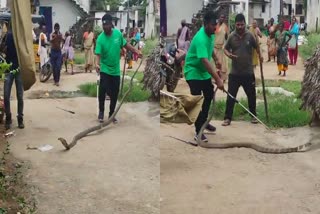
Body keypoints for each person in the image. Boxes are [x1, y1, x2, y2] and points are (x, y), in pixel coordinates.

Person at [183, 11, 224, 142]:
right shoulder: (200, 38)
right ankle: (198, 131)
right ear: (205, 24)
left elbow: (210, 48)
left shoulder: (210, 33)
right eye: (213, 25)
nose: (215, 27)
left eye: (216, 25)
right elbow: (204, 61)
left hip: (202, 72)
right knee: (197, 100)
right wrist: (218, 80)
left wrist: (216, 59)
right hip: (193, 71)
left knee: (209, 95)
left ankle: (203, 122)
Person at [95, 14, 142, 123]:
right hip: (105, 68)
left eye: (107, 25)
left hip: (115, 70)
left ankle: (112, 114)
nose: (105, 27)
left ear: (111, 24)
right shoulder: (100, 39)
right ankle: (101, 112)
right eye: (104, 25)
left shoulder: (118, 34)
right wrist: (97, 64)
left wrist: (136, 51)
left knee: (115, 93)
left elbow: (126, 45)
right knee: (103, 89)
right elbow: (98, 54)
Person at [222, 13, 263, 126]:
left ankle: (253, 115)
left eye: (241, 24)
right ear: (235, 24)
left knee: (251, 95)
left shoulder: (250, 35)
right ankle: (227, 118)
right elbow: (225, 49)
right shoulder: (231, 36)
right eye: (238, 25)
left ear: (245, 24)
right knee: (231, 96)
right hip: (234, 73)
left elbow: (257, 46)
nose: (240, 27)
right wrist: (229, 55)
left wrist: (260, 55)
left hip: (248, 72)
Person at [3, 22, 24, 130]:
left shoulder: (21, 37)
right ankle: (8, 118)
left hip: (18, 69)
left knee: (20, 96)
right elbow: (2, 50)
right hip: (8, 69)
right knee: (6, 95)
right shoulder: (6, 36)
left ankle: (20, 118)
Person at [214, 14, 229, 82]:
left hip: (221, 47)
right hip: (214, 47)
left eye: (223, 17)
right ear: (219, 18)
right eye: (221, 17)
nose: (222, 18)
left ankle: (222, 78)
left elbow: (226, 37)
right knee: (214, 63)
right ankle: (215, 77)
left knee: (222, 64)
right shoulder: (215, 25)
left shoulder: (225, 27)